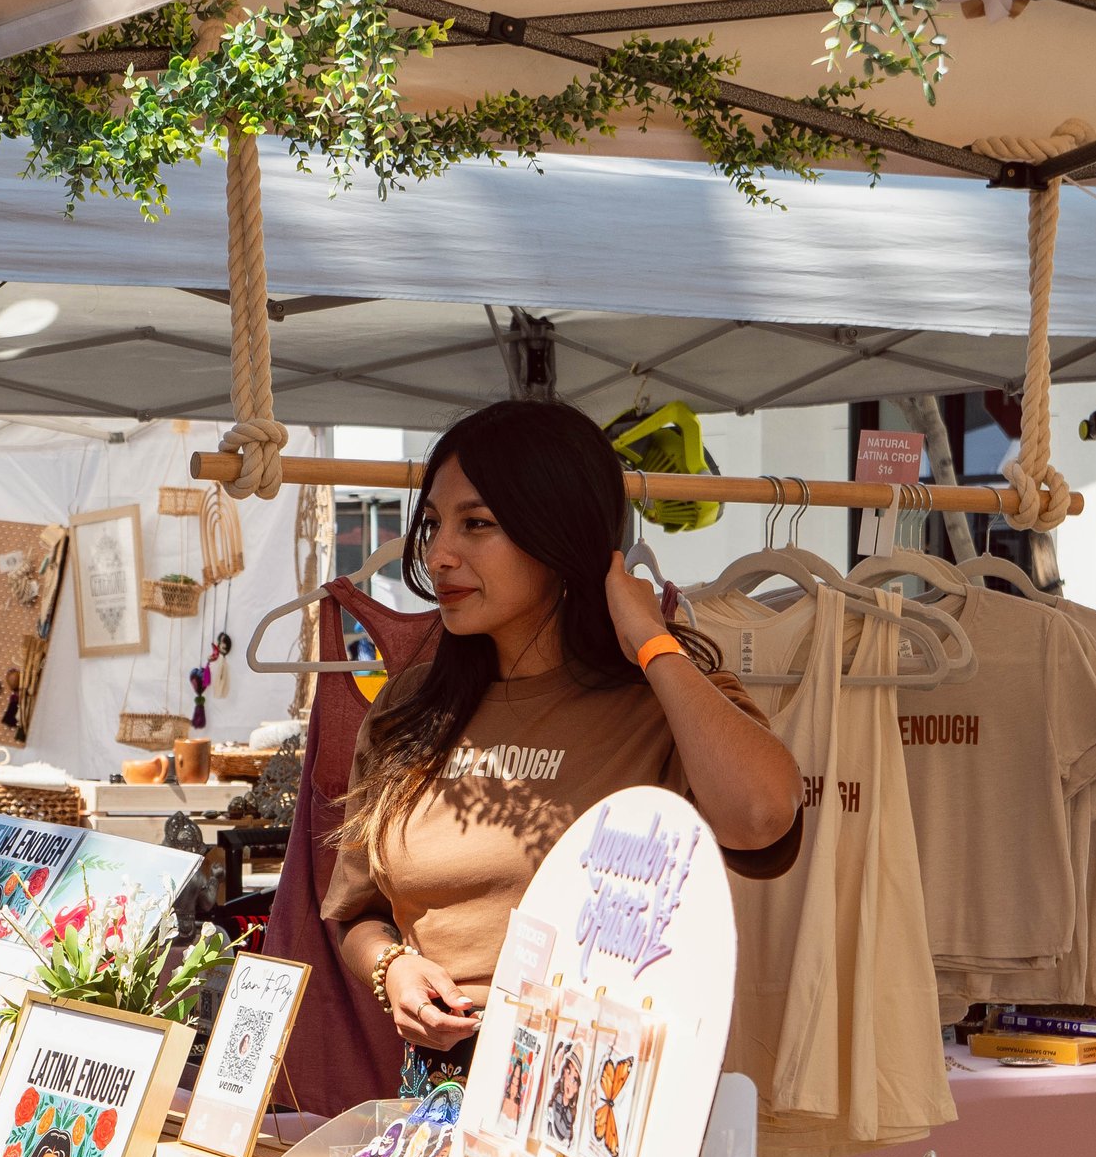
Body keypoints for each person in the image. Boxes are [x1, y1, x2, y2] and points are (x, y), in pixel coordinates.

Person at [324, 400, 802, 1071]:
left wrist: (652, 641)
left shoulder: (656, 699)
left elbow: (762, 814)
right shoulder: (410, 707)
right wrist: (393, 968)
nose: (439, 554)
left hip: (606, 1113)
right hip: (442, 1104)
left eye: (477, 524)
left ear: (558, 532)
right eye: (431, 524)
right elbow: (355, 912)